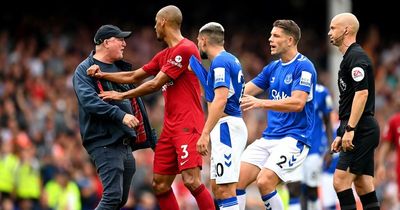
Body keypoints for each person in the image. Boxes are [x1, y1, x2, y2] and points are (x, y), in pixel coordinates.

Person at [86, 5, 215, 210]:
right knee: (160, 184)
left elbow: (155, 83)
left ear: (163, 21)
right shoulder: (165, 55)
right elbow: (135, 76)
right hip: (170, 127)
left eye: (156, 22)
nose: (154, 26)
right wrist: (102, 74)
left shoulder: (186, 48)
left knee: (191, 180)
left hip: (187, 124)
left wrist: (122, 94)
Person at [235, 19, 317, 210]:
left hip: (294, 138)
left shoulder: (304, 67)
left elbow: (298, 103)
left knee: (264, 181)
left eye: (275, 35)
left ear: (290, 40)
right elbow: (244, 91)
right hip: (269, 138)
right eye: (271, 35)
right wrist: (220, 93)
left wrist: (261, 102)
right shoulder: (273, 67)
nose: (270, 39)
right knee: (235, 181)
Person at [72, 24, 139, 209]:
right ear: (106, 42)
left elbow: (135, 100)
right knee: (112, 197)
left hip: (124, 143)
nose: (124, 44)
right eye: (120, 39)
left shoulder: (119, 68)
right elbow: (90, 102)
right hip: (104, 142)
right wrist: (121, 115)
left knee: (120, 200)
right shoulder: (84, 70)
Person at [189, 22, 247, 210]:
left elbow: (221, 100)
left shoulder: (221, 62)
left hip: (226, 127)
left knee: (225, 189)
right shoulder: (229, 60)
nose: (198, 45)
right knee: (218, 187)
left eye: (198, 41)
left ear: (204, 40)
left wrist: (205, 133)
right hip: (226, 127)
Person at [328, 12, 380, 210]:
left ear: (346, 30)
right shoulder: (349, 58)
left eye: (333, 28)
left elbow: (362, 95)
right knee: (363, 185)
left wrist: (350, 129)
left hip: (361, 128)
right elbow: (350, 101)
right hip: (361, 127)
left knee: (340, 182)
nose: (329, 32)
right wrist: (342, 133)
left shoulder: (356, 57)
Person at [300, 83, 334, 210]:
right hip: (295, 147)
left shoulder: (321, 92)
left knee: (311, 188)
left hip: (314, 147)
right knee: (297, 188)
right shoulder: (292, 88)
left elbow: (328, 121)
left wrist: (331, 148)